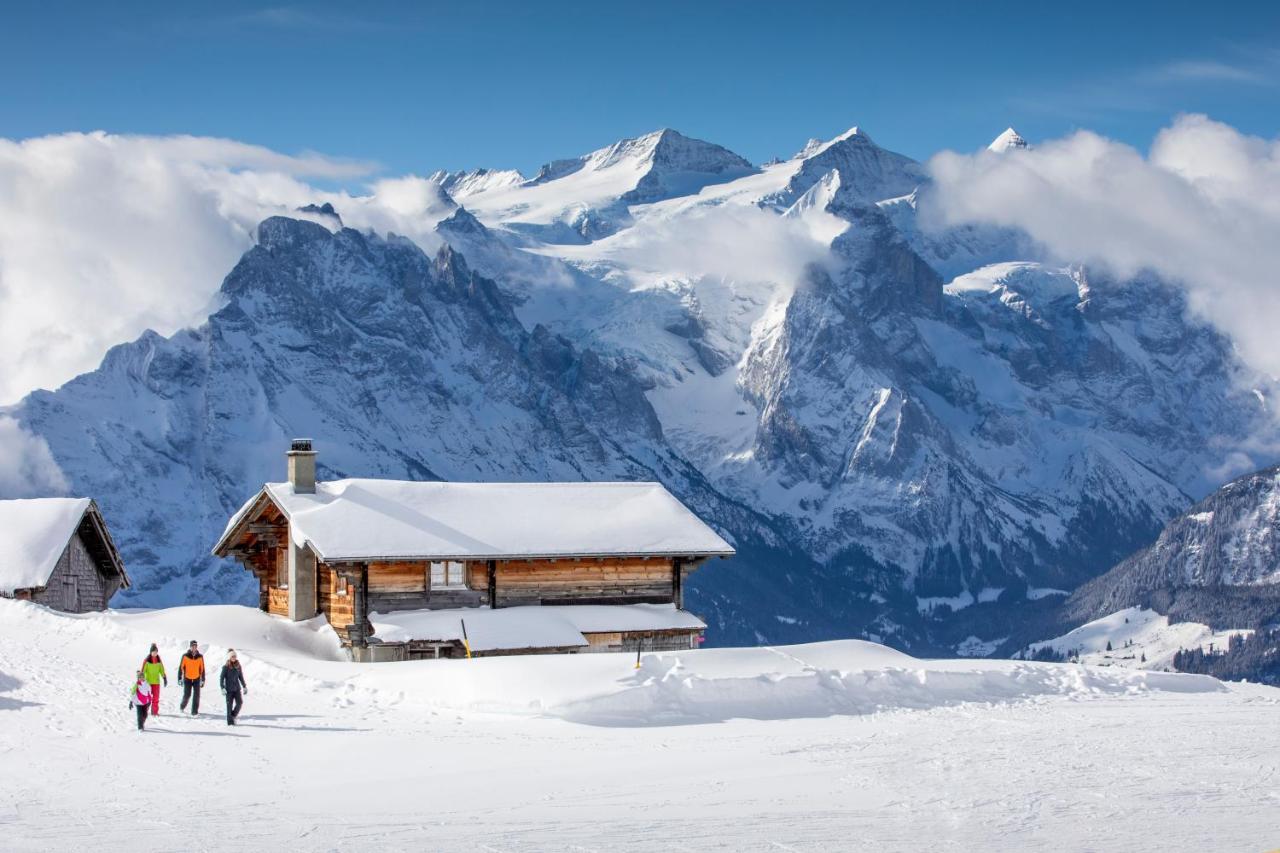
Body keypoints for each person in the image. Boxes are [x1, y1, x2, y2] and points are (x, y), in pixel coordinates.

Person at [219, 649, 248, 726]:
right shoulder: (225, 667)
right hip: (228, 690)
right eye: (232, 656)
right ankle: (230, 723)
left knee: (239, 703)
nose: (234, 658)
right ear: (229, 657)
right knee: (229, 706)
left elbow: (241, 677)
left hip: (237, 689)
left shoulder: (238, 666)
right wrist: (222, 687)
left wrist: (244, 686)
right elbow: (221, 678)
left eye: (235, 656)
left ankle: (233, 715)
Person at [177, 640, 205, 716]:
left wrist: (203, 680)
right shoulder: (185, 656)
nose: (194, 647)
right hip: (187, 678)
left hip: (196, 678)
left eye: (195, 646)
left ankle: (194, 711)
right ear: (190, 647)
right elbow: (181, 667)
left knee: (197, 695)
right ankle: (182, 706)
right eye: (192, 646)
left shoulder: (200, 657)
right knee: (187, 695)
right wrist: (179, 678)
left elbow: (202, 669)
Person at [140, 643, 167, 716]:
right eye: (154, 652)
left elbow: (161, 669)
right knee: (147, 698)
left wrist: (164, 677)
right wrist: (141, 681)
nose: (155, 653)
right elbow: (142, 671)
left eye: (156, 652)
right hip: (148, 682)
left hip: (156, 682)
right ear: (150, 652)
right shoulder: (147, 660)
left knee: (156, 698)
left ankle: (154, 712)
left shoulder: (158, 659)